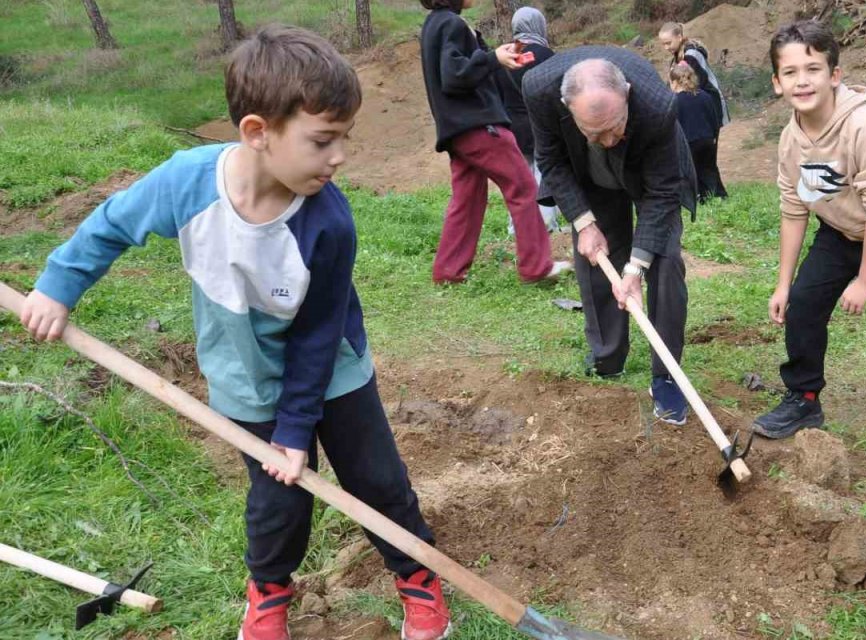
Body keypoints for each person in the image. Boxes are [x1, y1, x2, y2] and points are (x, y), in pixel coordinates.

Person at [18, 26, 452, 640]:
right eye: (323, 140)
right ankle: (270, 593)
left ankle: (418, 579)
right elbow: (112, 224)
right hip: (242, 374)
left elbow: (316, 334)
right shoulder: (186, 183)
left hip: (332, 368)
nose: (340, 158)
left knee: (376, 479)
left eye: (344, 139)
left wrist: (297, 427)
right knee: (278, 503)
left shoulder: (327, 222)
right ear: (257, 132)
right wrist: (59, 284)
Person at [753, 20, 866, 447]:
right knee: (803, 305)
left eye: (813, 69)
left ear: (834, 75)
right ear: (777, 83)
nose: (803, 80)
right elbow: (795, 209)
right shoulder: (789, 139)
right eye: (791, 72)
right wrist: (783, 284)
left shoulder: (865, 128)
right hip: (837, 232)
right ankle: (804, 397)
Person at [522, 46, 699, 425]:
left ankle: (666, 377)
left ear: (628, 94)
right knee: (596, 251)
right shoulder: (537, 89)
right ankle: (607, 355)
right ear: (566, 109)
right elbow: (551, 159)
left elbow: (663, 192)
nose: (608, 140)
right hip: (587, 172)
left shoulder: (658, 106)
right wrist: (584, 222)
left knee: (664, 262)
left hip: (651, 171)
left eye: (615, 127)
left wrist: (636, 268)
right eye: (595, 132)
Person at [419, 0, 568, 284]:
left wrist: (501, 57)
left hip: (457, 129)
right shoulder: (451, 23)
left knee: (467, 198)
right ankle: (537, 267)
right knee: (523, 185)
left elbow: (461, 68)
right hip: (478, 125)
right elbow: (454, 76)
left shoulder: (434, 23)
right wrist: (491, 59)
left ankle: (448, 272)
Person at [495, 6, 561, 234]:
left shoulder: (504, 55)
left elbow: (496, 94)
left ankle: (516, 228)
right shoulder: (547, 55)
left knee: (519, 179)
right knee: (544, 174)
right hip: (541, 126)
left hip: (512, 126)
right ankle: (547, 226)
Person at [658, 22, 728, 200]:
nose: (666, 47)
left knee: (704, 161)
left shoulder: (691, 55)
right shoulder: (679, 55)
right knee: (706, 160)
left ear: (679, 37)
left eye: (668, 43)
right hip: (700, 107)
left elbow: (697, 82)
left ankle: (710, 194)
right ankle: (711, 194)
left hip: (706, 108)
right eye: (663, 44)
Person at [669, 63, 723, 203]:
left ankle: (694, 197)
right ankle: (716, 194)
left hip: (688, 142)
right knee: (709, 168)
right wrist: (713, 137)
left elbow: (675, 125)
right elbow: (714, 118)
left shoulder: (675, 101)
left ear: (675, 82)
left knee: (689, 172)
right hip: (707, 139)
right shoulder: (705, 96)